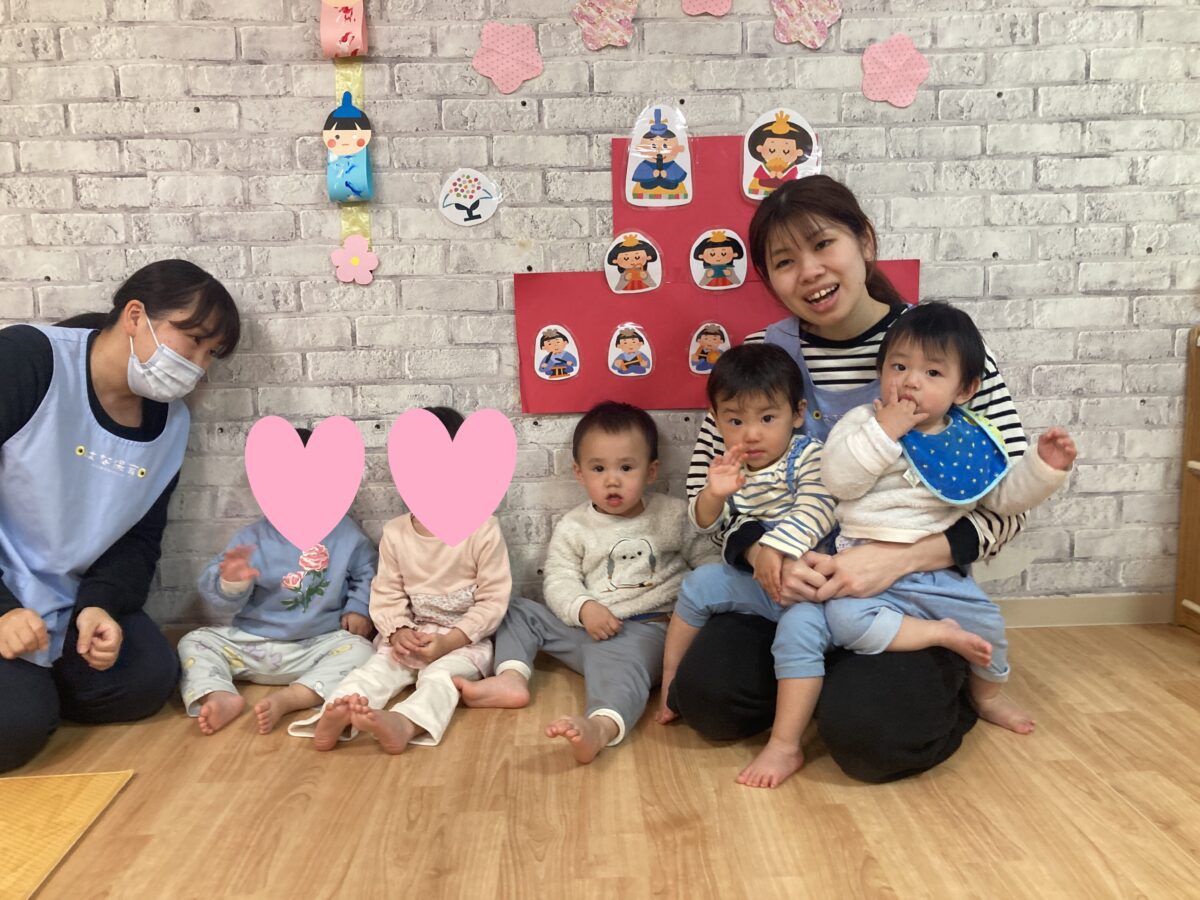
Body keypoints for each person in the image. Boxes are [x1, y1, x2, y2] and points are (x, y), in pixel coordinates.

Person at [670, 174, 1031, 783]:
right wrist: (761, 551)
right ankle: (823, 683)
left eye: (823, 245)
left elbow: (1008, 499)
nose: (809, 272)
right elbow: (706, 486)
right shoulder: (762, 357)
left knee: (871, 740)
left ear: (865, 241)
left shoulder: (940, 348)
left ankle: (915, 689)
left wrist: (897, 560)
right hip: (789, 589)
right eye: (785, 261)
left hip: (907, 591)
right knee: (708, 701)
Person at [0, 259, 241, 772]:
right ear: (135, 316)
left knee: (147, 678)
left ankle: (35, 686)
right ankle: (28, 696)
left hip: (62, 601)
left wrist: (100, 605)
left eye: (210, 354)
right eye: (193, 340)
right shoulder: (27, 359)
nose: (199, 365)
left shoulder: (170, 424)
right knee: (13, 727)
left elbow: (139, 539)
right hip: (5, 589)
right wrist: (2, 610)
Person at [822, 302, 1076, 735]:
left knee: (989, 627)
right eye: (899, 366)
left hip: (939, 574)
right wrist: (885, 431)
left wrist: (1044, 469)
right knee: (843, 621)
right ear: (880, 372)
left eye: (933, 372)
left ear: (965, 390)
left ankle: (987, 697)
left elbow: (1002, 500)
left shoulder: (968, 439)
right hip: (860, 564)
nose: (910, 381)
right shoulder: (862, 422)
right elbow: (839, 481)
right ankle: (938, 634)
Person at [457, 401, 717, 764]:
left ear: (651, 471)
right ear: (579, 474)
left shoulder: (672, 515)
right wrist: (584, 608)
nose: (612, 480)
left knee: (621, 670)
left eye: (626, 467)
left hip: (647, 633)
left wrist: (692, 618)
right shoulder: (574, 526)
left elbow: (709, 563)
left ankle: (601, 726)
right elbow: (559, 578)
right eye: (599, 468)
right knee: (516, 609)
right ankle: (512, 677)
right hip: (587, 628)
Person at [657, 345, 835, 788]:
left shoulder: (808, 456)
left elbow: (819, 507)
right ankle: (670, 682)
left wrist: (774, 547)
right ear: (716, 419)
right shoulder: (730, 465)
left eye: (767, 418)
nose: (751, 434)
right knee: (698, 584)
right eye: (735, 421)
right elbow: (706, 525)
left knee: (799, 635)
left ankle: (786, 744)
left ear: (797, 414)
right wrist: (714, 494)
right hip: (758, 583)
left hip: (808, 590)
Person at [291, 407, 513, 754]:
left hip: (464, 641)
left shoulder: (483, 530)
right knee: (376, 669)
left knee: (440, 679)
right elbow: (386, 594)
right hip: (412, 635)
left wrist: (450, 642)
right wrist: (397, 632)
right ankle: (336, 712)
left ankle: (405, 723)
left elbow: (493, 600)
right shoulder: (396, 533)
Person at [177, 427, 377, 736]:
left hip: (319, 644)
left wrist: (358, 608)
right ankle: (219, 694)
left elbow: (367, 571)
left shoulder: (345, 534)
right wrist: (231, 582)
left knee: (363, 651)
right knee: (192, 642)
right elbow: (217, 594)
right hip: (253, 643)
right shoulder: (252, 538)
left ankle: (292, 698)